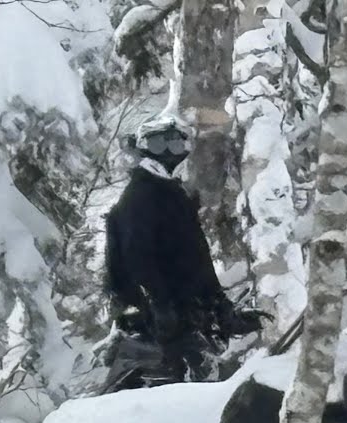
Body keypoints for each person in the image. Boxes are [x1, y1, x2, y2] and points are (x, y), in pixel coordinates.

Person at [103, 116, 262, 387]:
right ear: (143, 148)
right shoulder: (139, 198)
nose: (167, 152)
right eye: (158, 144)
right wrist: (158, 303)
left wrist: (219, 305)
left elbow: (195, 258)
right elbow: (136, 260)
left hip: (183, 314)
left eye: (176, 144)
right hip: (155, 324)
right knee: (185, 391)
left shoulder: (172, 194)